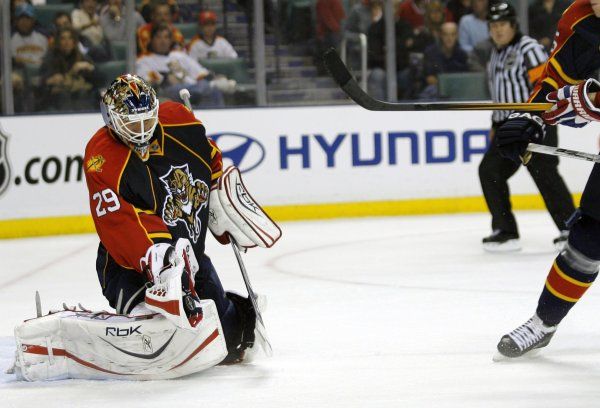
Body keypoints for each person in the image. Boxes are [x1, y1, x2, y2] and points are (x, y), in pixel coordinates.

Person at [84, 74, 276, 368]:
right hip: (130, 267)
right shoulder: (102, 155)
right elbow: (119, 220)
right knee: (151, 330)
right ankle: (128, 322)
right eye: (131, 124)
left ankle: (239, 313)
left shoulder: (178, 120)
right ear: (110, 119)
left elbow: (210, 155)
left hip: (193, 261)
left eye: (147, 121)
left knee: (230, 341)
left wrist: (218, 194)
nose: (141, 131)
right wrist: (159, 257)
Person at [493, 0, 600, 358]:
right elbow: (556, 78)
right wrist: (531, 118)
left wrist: (583, 101)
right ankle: (543, 324)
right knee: (588, 239)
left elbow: (587, 100)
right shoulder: (580, 16)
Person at [478, 1, 574, 252]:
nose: (498, 30)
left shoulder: (528, 48)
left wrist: (536, 120)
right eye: (494, 25)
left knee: (544, 173)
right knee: (490, 171)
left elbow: (544, 87)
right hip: (507, 129)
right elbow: (499, 95)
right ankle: (506, 231)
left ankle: (571, 230)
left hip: (534, 124)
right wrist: (495, 124)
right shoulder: (496, 53)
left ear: (513, 25)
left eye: (502, 25)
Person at [136, 23, 226, 107]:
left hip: (193, 87)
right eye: (158, 37)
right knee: (205, 88)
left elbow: (201, 72)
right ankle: (210, 86)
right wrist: (166, 78)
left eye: (166, 37)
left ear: (171, 40)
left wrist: (213, 78)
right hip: (168, 91)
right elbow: (145, 83)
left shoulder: (179, 55)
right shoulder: (143, 59)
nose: (163, 41)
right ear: (151, 40)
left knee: (213, 90)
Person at [39, 27, 101, 112]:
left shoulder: (80, 56)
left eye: (70, 38)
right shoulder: (51, 57)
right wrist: (70, 72)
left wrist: (90, 68)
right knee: (64, 95)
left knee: (86, 92)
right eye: (63, 39)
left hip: (81, 95)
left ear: (74, 41)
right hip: (58, 98)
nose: (67, 42)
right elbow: (44, 81)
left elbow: (101, 78)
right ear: (58, 42)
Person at [421, 22, 468, 99]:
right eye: (446, 34)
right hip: (435, 92)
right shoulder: (430, 52)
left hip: (457, 92)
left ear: (457, 36)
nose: (449, 38)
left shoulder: (462, 54)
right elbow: (429, 78)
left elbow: (465, 79)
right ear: (440, 35)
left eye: (453, 34)